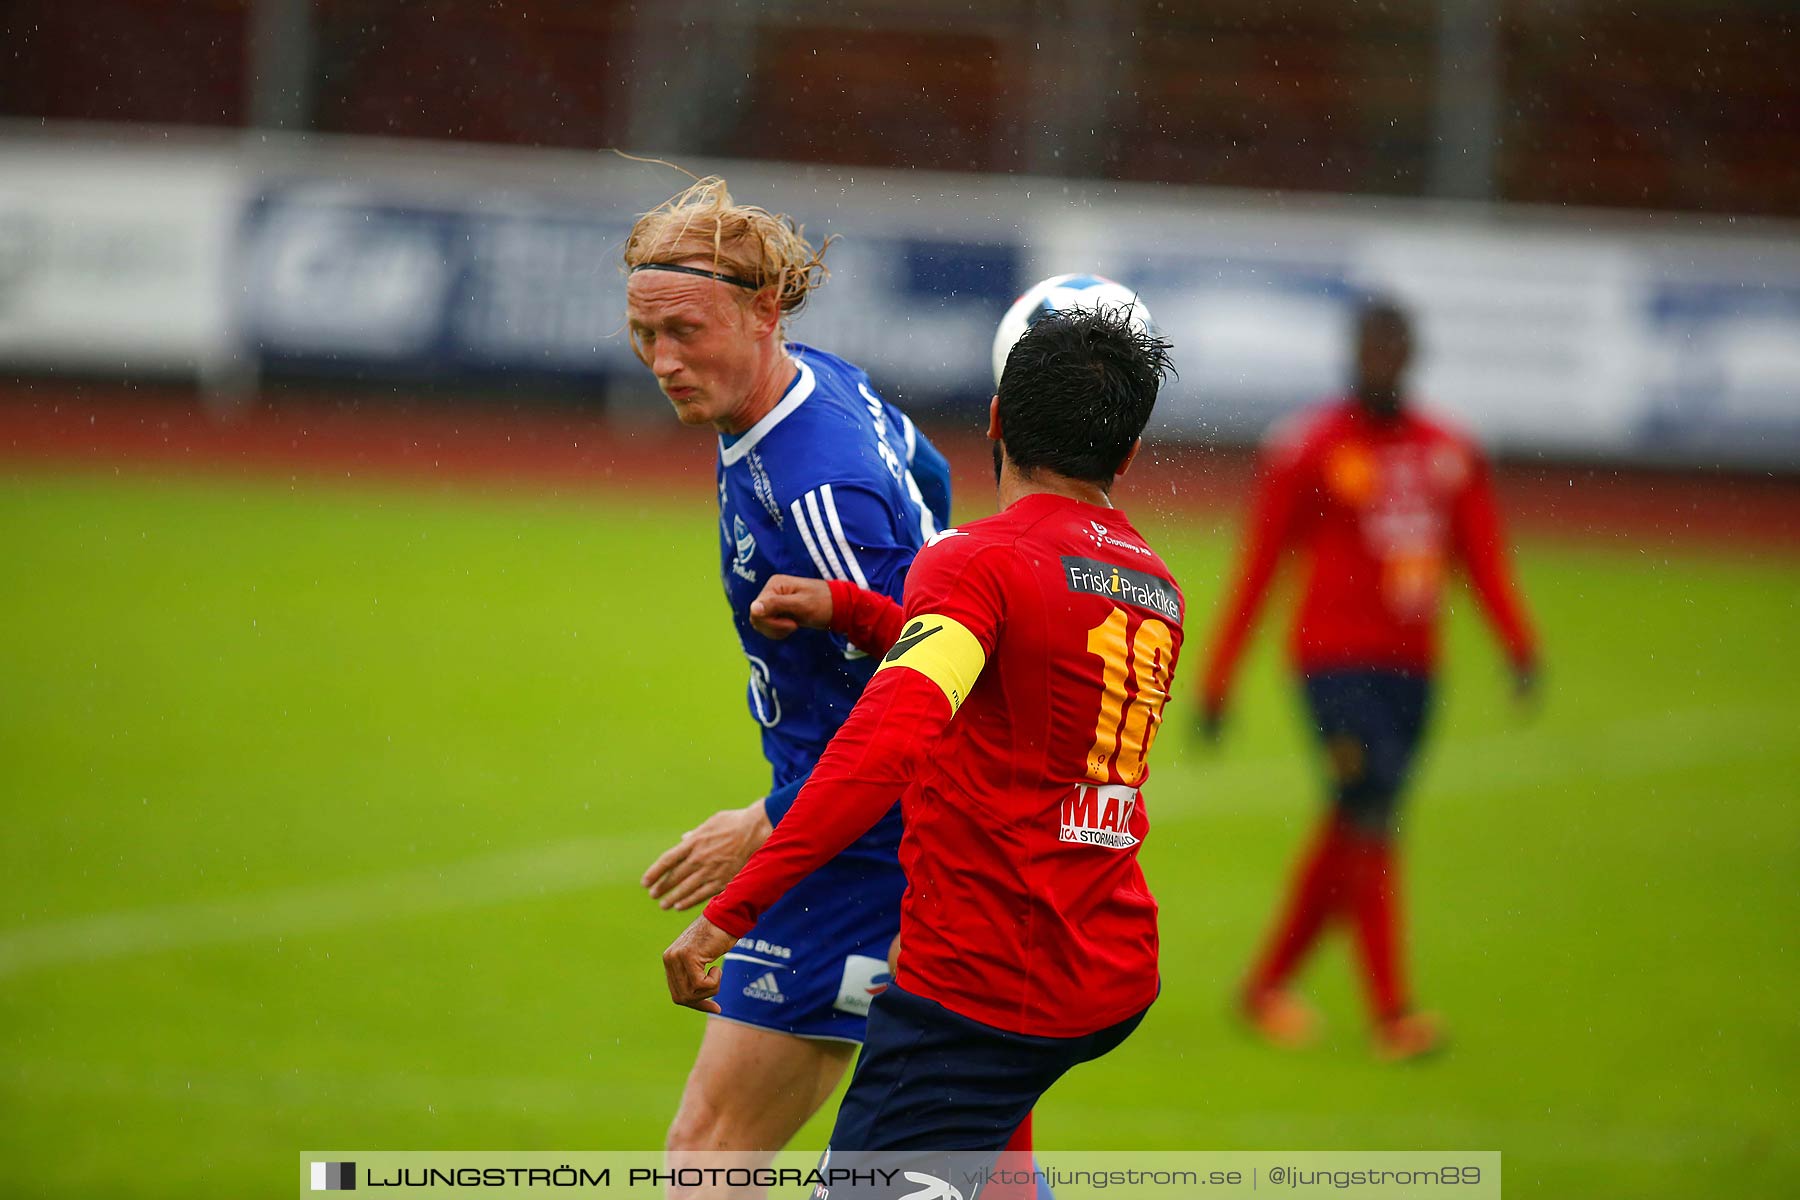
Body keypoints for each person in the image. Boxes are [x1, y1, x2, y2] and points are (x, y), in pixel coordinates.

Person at [662, 307, 1181, 1190]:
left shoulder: (977, 561)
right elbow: (1011, 663)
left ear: (994, 423)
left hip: (980, 986)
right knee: (989, 1166)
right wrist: (855, 608)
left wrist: (736, 907)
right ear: (1128, 456)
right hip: (1104, 964)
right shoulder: (1151, 582)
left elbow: (884, 743)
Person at [623, 176, 956, 1175]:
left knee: (712, 1154)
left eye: (686, 331)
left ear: (765, 310)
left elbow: (938, 685)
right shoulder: (815, 382)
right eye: (644, 337)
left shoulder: (822, 488)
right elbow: (932, 482)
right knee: (942, 1153)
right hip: (844, 822)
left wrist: (775, 825)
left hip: (864, 845)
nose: (663, 363)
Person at [1199, 297, 1541, 1061]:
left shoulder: (1448, 450)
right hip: (1332, 664)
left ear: (1411, 355)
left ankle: (1265, 987)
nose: (1382, 361)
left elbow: (1480, 554)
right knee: (1372, 813)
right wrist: (1218, 680)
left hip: (1415, 670)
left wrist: (1518, 643)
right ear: (1353, 354)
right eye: (1372, 349)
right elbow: (1259, 566)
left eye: (1395, 349)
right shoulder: (1309, 448)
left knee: (1356, 820)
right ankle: (1393, 1014)